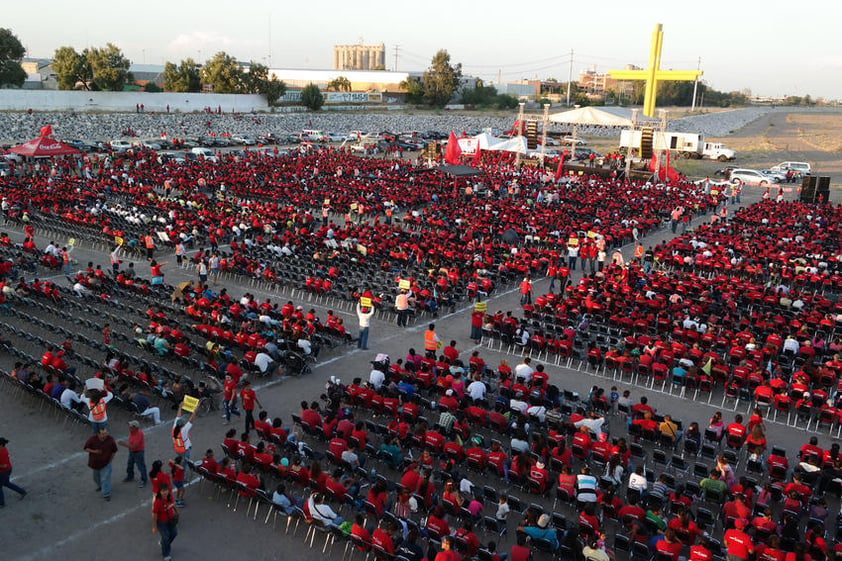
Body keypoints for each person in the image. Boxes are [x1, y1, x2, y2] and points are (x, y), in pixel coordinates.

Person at [84, 427, 118, 501]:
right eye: (103, 434)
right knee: (96, 477)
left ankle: (106, 493)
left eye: (106, 433)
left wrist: (110, 460)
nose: (105, 435)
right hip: (95, 463)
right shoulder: (92, 439)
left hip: (106, 463)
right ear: (98, 434)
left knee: (105, 478)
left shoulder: (110, 439)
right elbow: (86, 448)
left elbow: (114, 451)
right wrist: (94, 451)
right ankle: (101, 486)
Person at [152, 484, 179, 561]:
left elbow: (173, 504)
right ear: (160, 492)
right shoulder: (157, 502)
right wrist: (154, 526)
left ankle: (163, 543)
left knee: (174, 533)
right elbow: (154, 514)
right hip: (162, 523)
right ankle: (166, 554)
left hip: (170, 520)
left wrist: (176, 511)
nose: (165, 492)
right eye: (163, 491)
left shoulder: (169, 496)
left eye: (166, 490)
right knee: (166, 537)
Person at [118, 421, 148, 488]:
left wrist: (123, 444)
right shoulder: (132, 432)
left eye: (131, 427)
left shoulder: (139, 434)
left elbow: (134, 446)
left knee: (141, 466)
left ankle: (144, 479)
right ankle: (130, 476)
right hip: (132, 451)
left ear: (136, 428)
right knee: (130, 465)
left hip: (138, 452)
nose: (129, 428)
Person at [0, 437, 27, 507]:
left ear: (1, 445)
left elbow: (4, 466)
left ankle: (1, 503)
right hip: (8, 469)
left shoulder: (2, 453)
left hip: (4, 471)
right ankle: (22, 492)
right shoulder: (3, 449)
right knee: (6, 483)